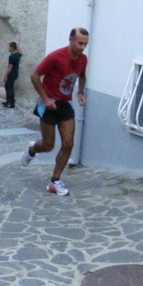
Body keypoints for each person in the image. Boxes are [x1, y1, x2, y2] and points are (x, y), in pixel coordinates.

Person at [21, 27, 89, 196]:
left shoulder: (83, 59)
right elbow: (34, 76)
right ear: (71, 40)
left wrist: (80, 92)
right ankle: (32, 149)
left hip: (66, 105)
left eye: (85, 44)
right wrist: (45, 99)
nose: (82, 47)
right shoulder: (55, 57)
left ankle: (54, 180)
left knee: (68, 143)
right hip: (49, 104)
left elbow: (82, 76)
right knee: (48, 145)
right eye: (80, 43)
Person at [2, 41, 22, 108]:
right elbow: (21, 52)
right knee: (8, 86)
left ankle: (11, 103)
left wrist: (6, 75)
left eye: (9, 46)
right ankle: (8, 101)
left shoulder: (11, 56)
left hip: (11, 73)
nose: (8, 48)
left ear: (12, 47)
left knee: (9, 88)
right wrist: (18, 47)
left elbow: (10, 67)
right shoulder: (18, 54)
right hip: (15, 73)